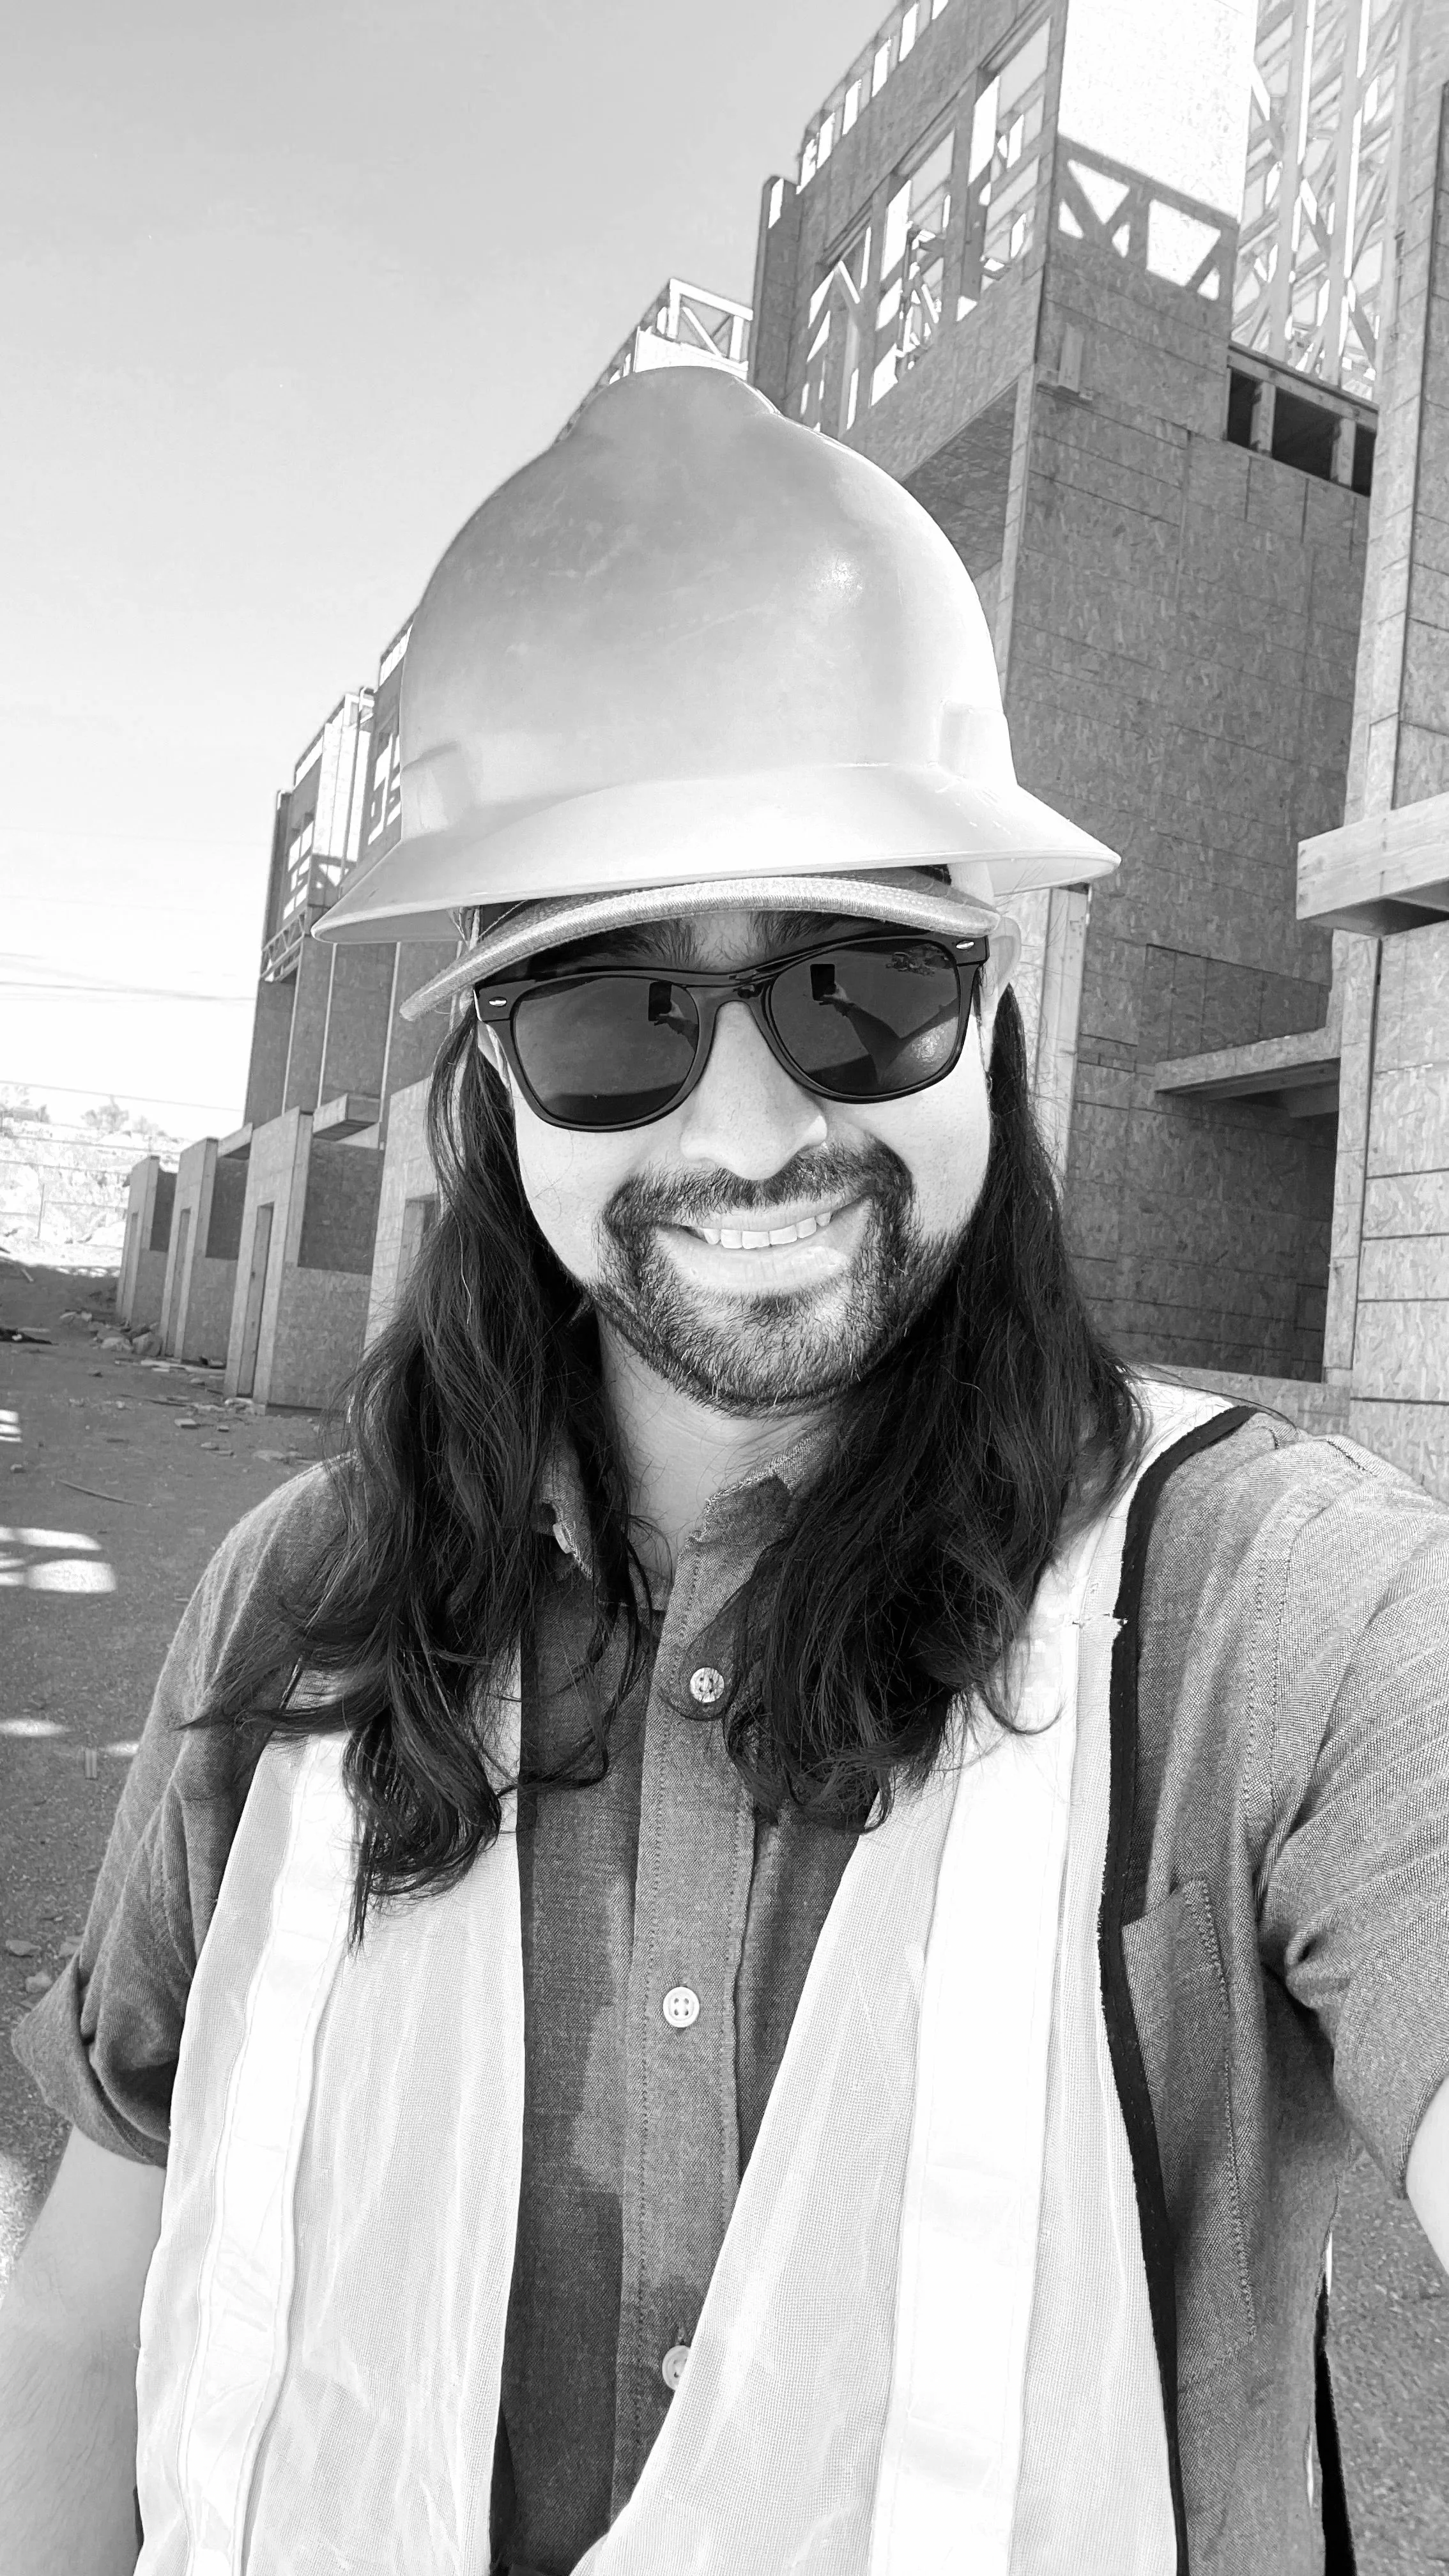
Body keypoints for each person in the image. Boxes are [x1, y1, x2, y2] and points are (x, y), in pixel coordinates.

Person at [3, 367, 1448, 2576]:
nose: (753, 1129)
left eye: (859, 981)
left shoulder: (1276, 1619)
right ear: (491, 1098)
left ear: (997, 1023)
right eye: (617, 1021)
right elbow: (91, 2320)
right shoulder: (305, 1597)